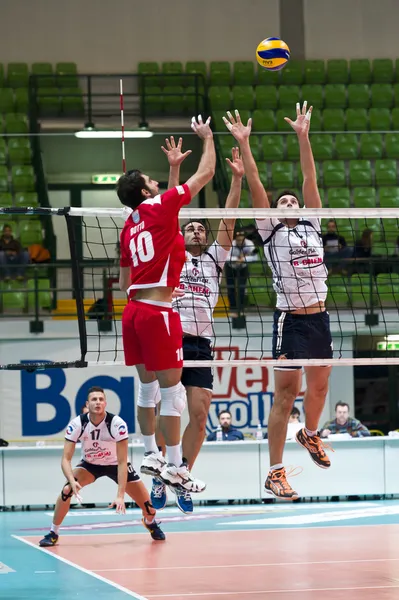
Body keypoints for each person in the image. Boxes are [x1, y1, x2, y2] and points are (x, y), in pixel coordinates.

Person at [223, 103, 333, 500]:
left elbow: (309, 176)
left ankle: (311, 433)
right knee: (285, 395)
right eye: (281, 202)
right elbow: (254, 181)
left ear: (301, 209)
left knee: (319, 388)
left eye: (292, 202)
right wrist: (245, 143)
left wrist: (303, 136)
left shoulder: (313, 223)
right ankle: (275, 471)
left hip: (320, 316)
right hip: (291, 319)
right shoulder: (270, 230)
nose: (288, 204)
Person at [118, 115, 215, 495]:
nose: (157, 184)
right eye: (152, 182)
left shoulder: (131, 225)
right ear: (144, 193)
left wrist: (174, 169)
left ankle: (151, 455)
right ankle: (176, 466)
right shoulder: (157, 208)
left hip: (133, 310)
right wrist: (208, 139)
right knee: (172, 393)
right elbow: (205, 174)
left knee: (147, 390)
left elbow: (127, 277)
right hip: (159, 312)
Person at [149, 140, 245, 513]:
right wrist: (174, 168)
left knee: (200, 415)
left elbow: (230, 218)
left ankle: (182, 474)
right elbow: (169, 212)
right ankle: (161, 473)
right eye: (190, 228)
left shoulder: (214, 261)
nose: (195, 232)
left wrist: (236, 179)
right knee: (168, 411)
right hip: (171, 338)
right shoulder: (170, 249)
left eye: (199, 229)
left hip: (201, 344)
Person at [39, 387, 165, 547]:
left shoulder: (117, 424)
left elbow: (121, 462)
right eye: (94, 399)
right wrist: (71, 481)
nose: (97, 402)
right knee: (66, 491)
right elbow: (65, 459)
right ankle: (53, 533)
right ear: (87, 404)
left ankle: (150, 522)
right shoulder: (77, 424)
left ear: (105, 403)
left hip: (115, 465)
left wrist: (120, 495)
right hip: (90, 465)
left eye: (100, 399)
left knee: (149, 507)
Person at [225, 229, 258, 316]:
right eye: (238, 239)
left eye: (242, 239)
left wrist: (243, 259)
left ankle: (241, 309)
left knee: (242, 289)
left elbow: (255, 257)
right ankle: (232, 309)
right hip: (231, 267)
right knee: (231, 288)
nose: (240, 241)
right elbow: (226, 257)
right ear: (236, 239)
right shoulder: (231, 244)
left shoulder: (249, 244)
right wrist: (237, 259)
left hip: (243, 267)